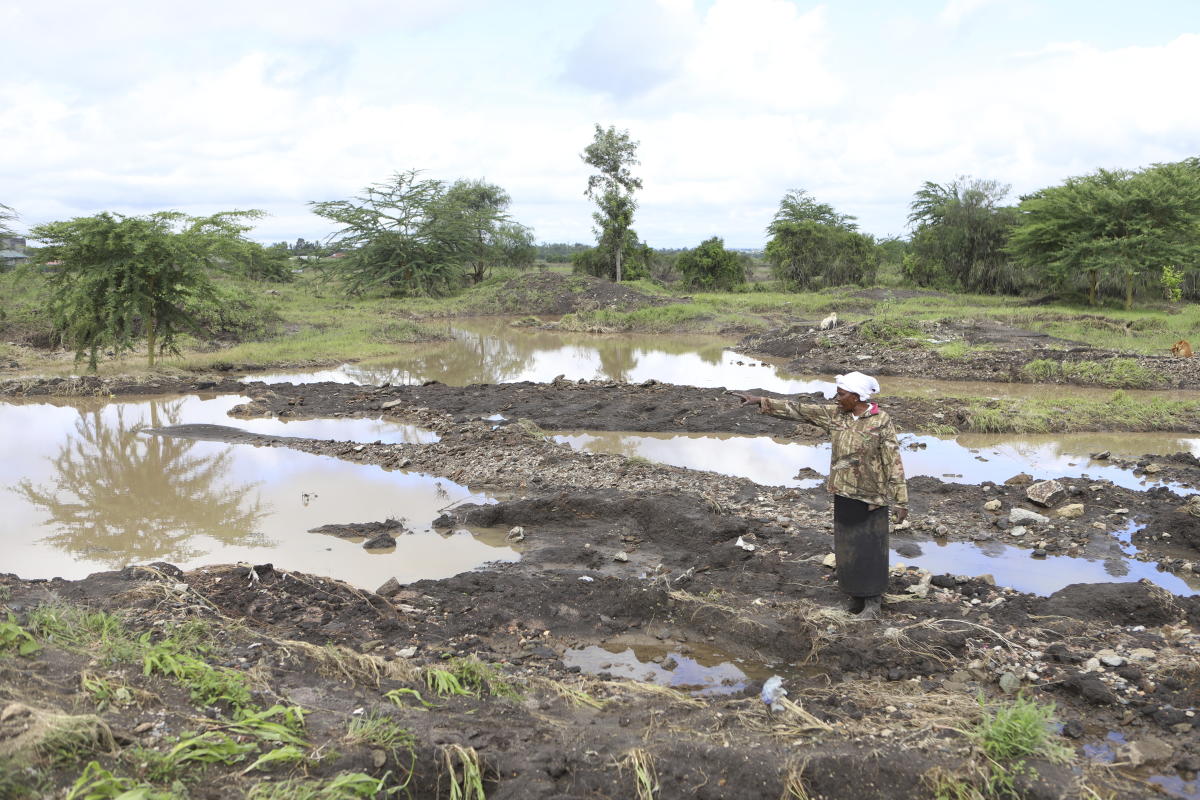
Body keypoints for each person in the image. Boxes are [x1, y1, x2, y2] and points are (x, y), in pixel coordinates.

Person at [731, 371, 908, 620]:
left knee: (870, 550)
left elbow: (893, 460)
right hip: (843, 492)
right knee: (847, 547)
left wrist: (901, 500)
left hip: (872, 498)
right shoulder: (836, 415)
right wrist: (761, 401)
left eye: (842, 394)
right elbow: (800, 410)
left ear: (857, 397)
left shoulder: (881, 420)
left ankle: (872, 602)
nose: (837, 398)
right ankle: (855, 596)